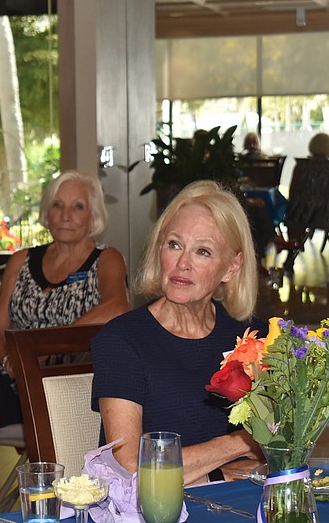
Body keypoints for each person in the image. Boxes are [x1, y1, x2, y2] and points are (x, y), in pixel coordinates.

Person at [0, 170, 130, 512]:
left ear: (93, 216)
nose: (65, 215)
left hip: (71, 377)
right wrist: (15, 362)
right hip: (18, 376)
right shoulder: (22, 260)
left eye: (77, 207)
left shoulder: (106, 259)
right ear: (47, 212)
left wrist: (45, 347)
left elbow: (117, 308)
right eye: (58, 205)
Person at [91, 180, 267, 485]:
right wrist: (239, 444)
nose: (182, 263)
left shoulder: (253, 338)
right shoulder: (121, 341)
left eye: (203, 251)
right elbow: (131, 467)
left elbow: (280, 448)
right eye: (174, 244)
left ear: (232, 267)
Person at [283, 133, 329, 252]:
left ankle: (293, 246)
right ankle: (298, 242)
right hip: (321, 213)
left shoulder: (301, 165)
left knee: (292, 213)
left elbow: (292, 191)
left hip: (299, 212)